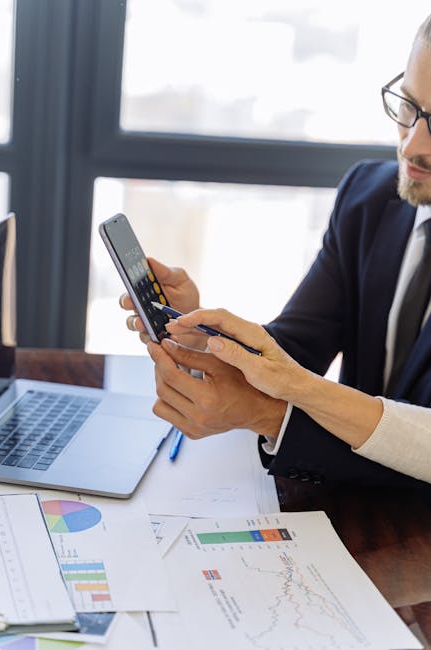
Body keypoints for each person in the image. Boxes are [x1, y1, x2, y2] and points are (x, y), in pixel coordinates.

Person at [121, 14, 431, 490]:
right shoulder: (369, 197)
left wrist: (270, 411)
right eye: (409, 107)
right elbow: (295, 350)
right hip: (358, 517)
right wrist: (204, 335)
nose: (413, 145)